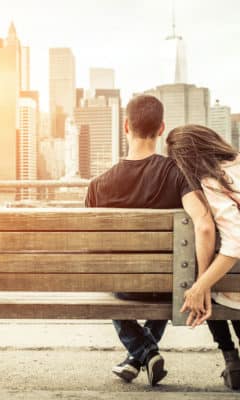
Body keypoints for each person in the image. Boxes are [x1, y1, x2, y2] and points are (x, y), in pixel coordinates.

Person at [85, 95, 215, 386]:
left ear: (126, 127)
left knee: (111, 278)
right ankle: (143, 352)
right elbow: (205, 226)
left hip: (124, 289)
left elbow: (92, 252)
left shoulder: (97, 186)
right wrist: (202, 283)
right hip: (166, 286)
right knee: (171, 275)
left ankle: (141, 352)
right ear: (161, 129)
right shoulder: (177, 173)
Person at [166, 124, 240, 390]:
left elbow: (234, 243)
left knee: (211, 290)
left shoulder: (214, 181)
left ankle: (230, 357)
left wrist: (200, 285)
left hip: (234, 288)